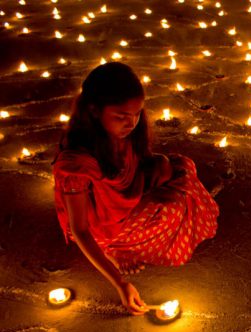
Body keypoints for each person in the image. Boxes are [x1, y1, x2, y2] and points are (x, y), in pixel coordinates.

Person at [52, 62, 219, 314]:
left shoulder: (122, 133)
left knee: (177, 168)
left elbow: (137, 162)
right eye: (121, 117)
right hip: (101, 227)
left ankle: (127, 237)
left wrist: (152, 176)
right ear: (94, 111)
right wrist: (121, 283)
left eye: (137, 114)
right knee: (173, 208)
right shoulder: (75, 164)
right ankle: (116, 249)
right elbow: (81, 229)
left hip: (122, 200)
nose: (131, 123)